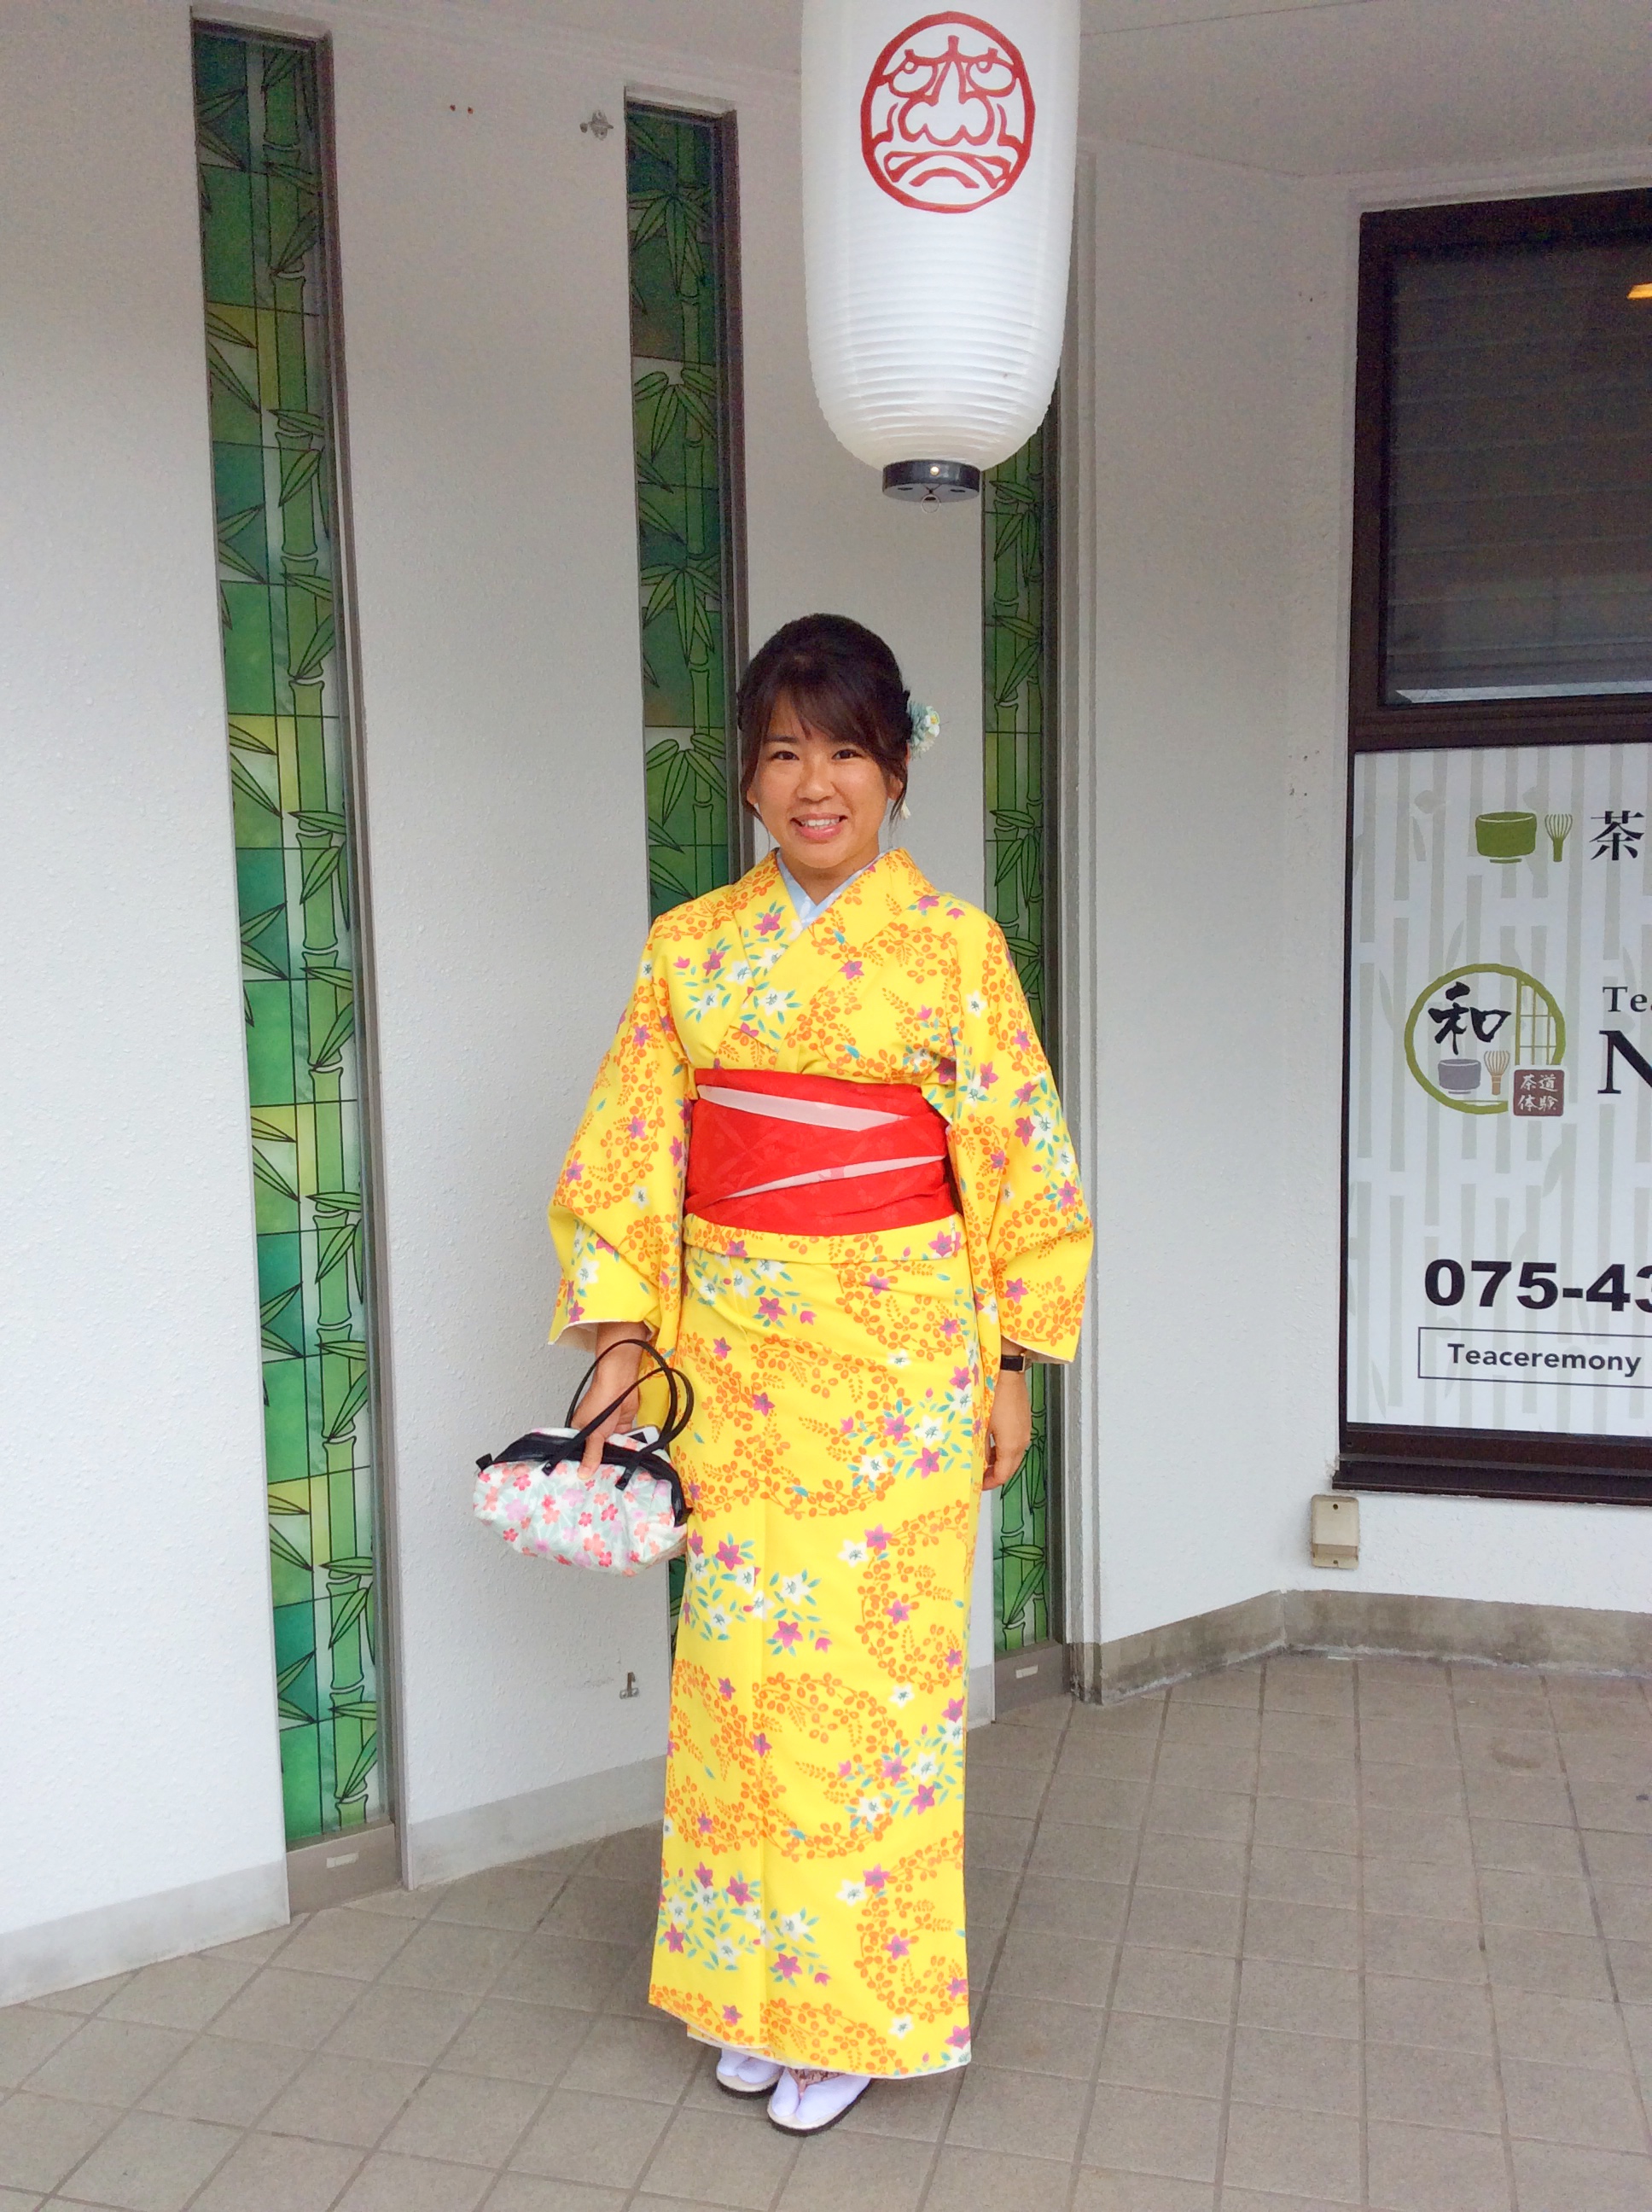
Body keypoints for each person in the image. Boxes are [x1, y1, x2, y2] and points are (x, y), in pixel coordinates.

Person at [549, 613, 1091, 2133]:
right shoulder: (691, 949)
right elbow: (631, 1153)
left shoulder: (955, 952)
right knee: (739, 1689)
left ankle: (854, 2016)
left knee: (869, 1699)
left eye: (847, 750)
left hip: (898, 1373)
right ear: (746, 775)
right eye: (783, 751)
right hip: (732, 1367)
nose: (814, 783)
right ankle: (747, 1994)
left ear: (897, 769)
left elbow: (1020, 1165)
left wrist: (1011, 1359)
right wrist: (623, 1337)